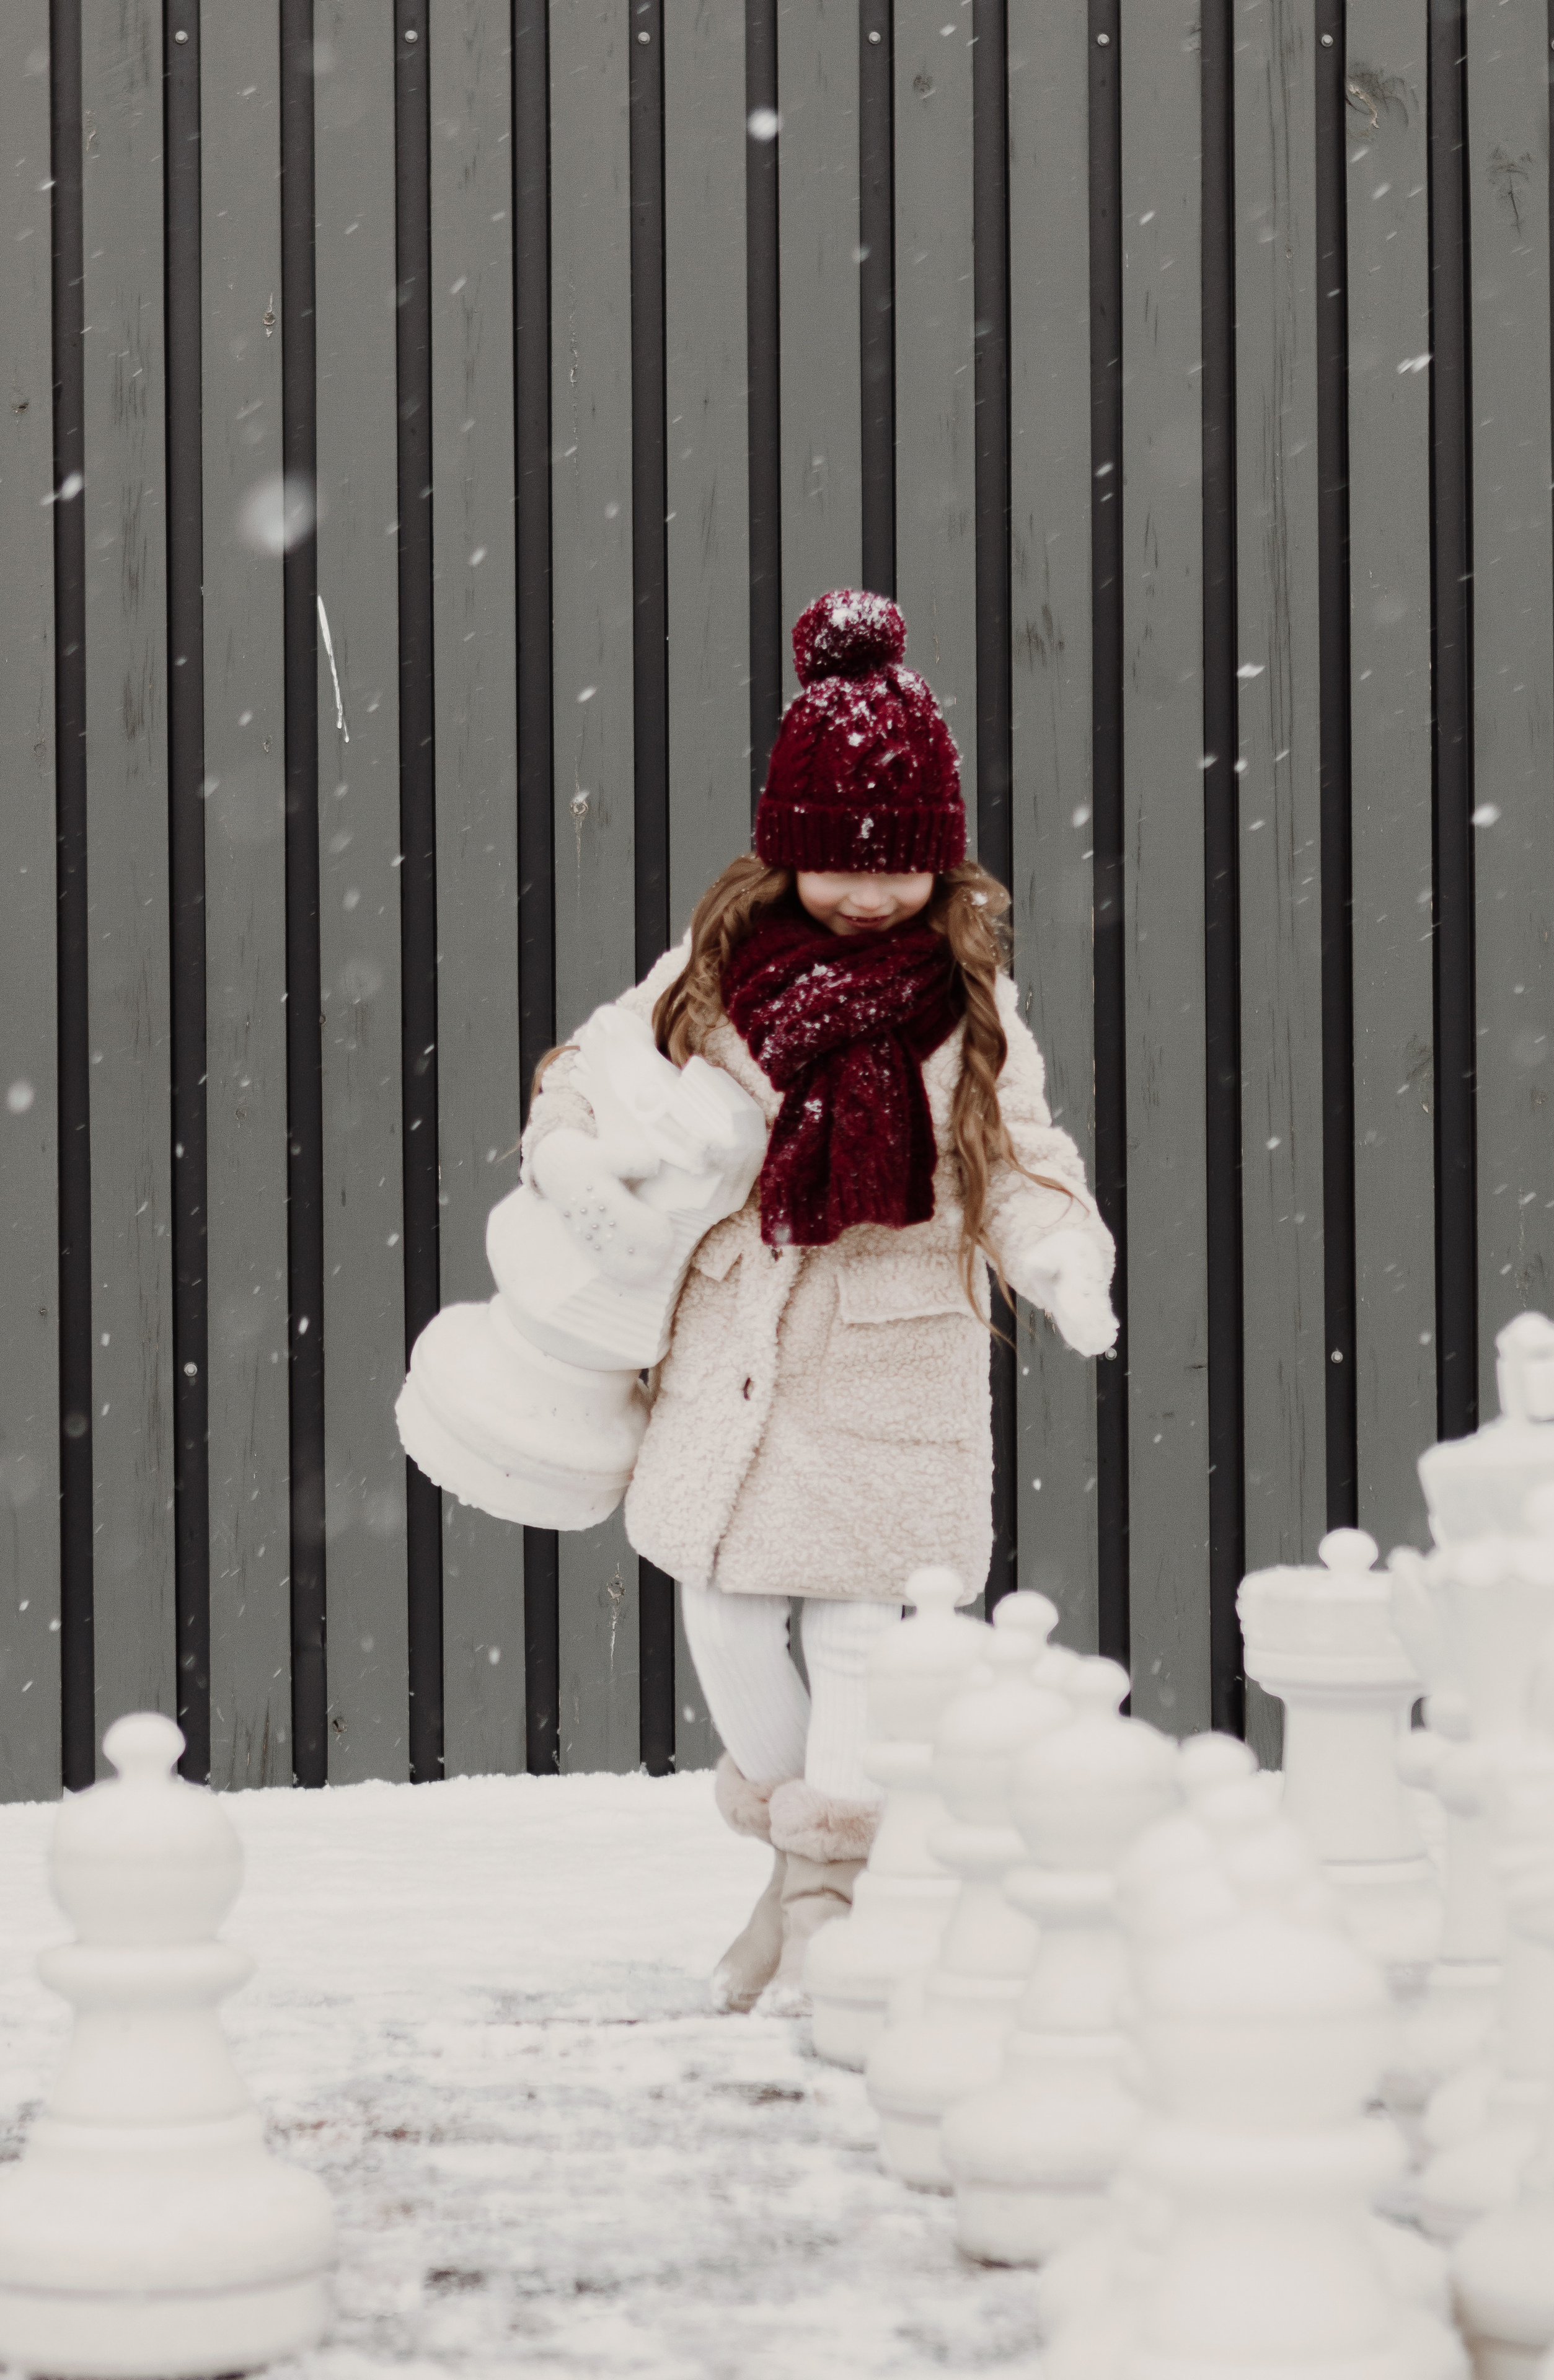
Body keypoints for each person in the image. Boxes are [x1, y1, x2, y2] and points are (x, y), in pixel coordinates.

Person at [523, 589, 1117, 2014]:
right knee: (725, 1612)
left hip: (887, 1355)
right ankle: (802, 1876)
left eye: (896, 868)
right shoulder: (710, 976)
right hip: (735, 1341)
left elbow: (1018, 1165)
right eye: (836, 864)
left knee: (858, 1633)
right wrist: (591, 1164)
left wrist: (1060, 1258)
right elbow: (584, 1082)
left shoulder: (970, 1009)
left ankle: (821, 1902)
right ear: (781, 853)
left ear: (939, 865)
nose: (865, 894)